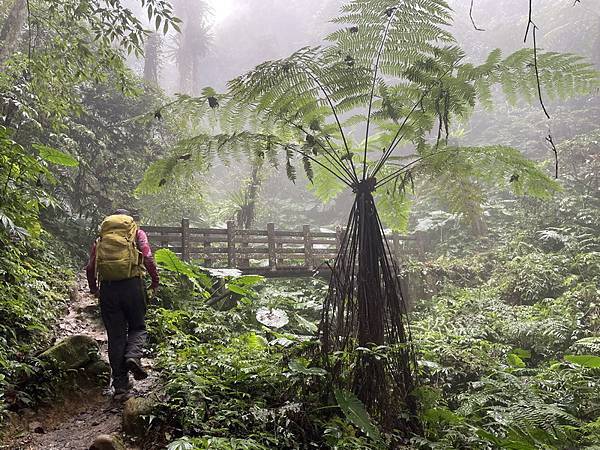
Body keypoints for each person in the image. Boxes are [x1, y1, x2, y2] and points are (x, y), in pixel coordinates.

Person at [86, 209, 159, 397]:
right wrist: (155, 280)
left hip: (109, 289)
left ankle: (120, 384)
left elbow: (90, 266)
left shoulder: (102, 238)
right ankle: (133, 356)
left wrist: (94, 289)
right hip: (133, 285)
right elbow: (148, 256)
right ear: (129, 220)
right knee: (138, 327)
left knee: (116, 336)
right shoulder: (136, 233)